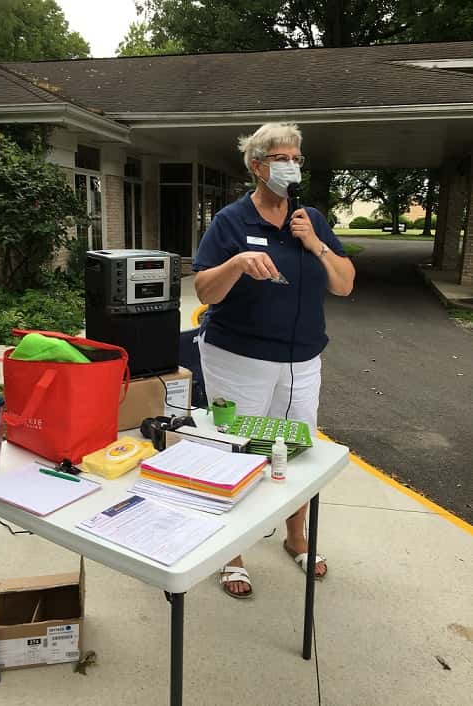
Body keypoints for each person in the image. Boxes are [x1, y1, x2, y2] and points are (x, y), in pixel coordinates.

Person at [193, 122, 355, 599]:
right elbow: (204, 290)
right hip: (237, 359)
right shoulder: (231, 221)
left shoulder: (312, 218)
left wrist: (316, 243)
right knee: (237, 448)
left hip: (302, 361)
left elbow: (344, 284)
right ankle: (233, 552)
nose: (291, 166)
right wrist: (238, 263)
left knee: (296, 449)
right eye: (282, 157)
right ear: (257, 165)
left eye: (297, 158)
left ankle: (296, 536)